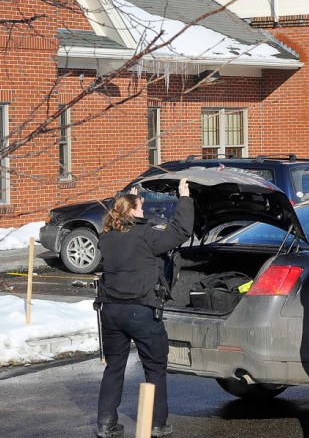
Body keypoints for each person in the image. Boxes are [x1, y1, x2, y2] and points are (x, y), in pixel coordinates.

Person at [94, 178, 194, 438]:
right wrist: (184, 197)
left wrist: (130, 196)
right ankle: (156, 424)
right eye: (140, 208)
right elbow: (181, 231)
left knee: (114, 367)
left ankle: (106, 423)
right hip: (141, 310)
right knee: (154, 367)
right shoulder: (146, 236)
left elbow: (119, 219)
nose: (143, 212)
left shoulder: (106, 237)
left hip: (111, 311)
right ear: (130, 212)